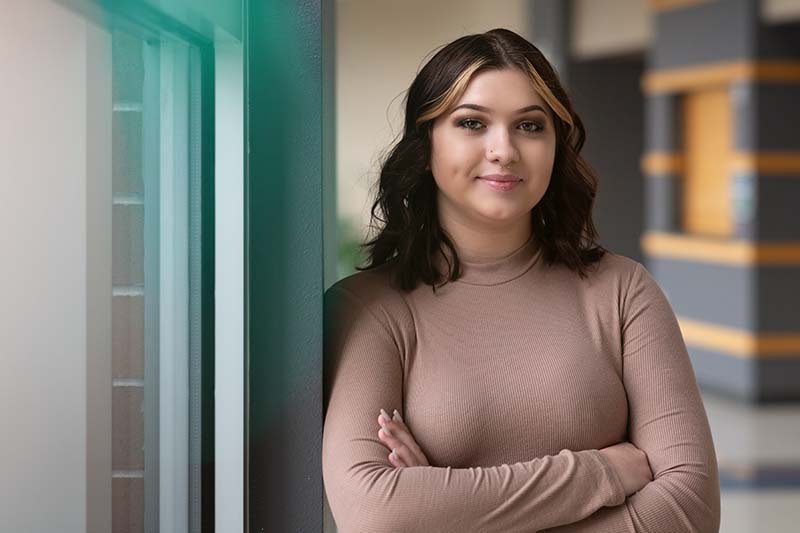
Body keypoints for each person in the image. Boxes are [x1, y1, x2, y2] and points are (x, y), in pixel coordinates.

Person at [322, 28, 720, 532]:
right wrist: (601, 472)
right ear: (426, 146)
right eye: (472, 123)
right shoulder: (368, 308)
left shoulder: (623, 292)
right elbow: (376, 513)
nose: (503, 150)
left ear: (555, 146)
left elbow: (690, 511)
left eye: (530, 126)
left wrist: (449, 511)